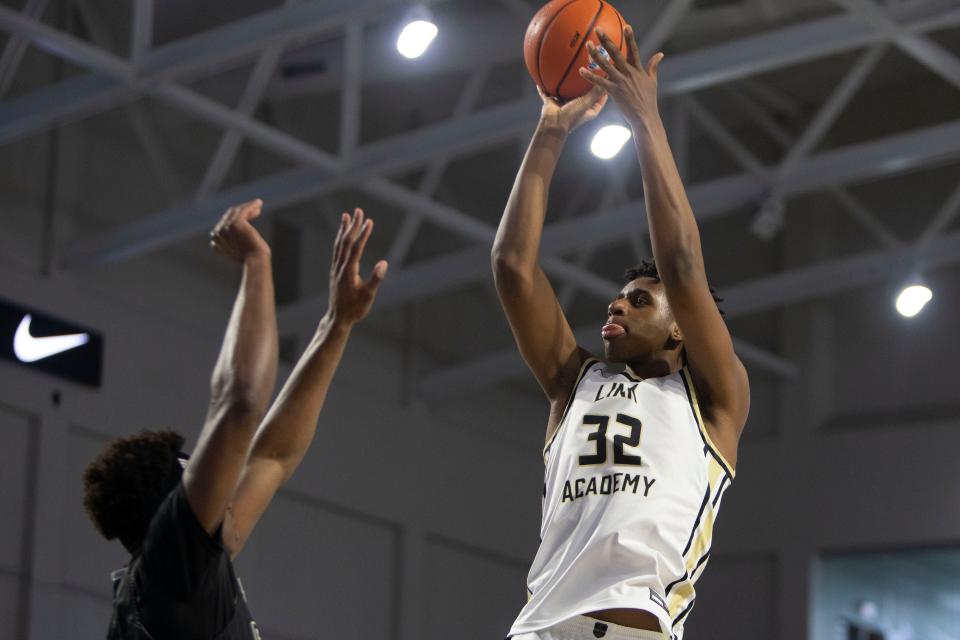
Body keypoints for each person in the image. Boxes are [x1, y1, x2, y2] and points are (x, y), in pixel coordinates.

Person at [492, 24, 750, 640]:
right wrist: (550, 133)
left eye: (639, 301)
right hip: (538, 629)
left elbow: (684, 266)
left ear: (681, 330)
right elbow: (512, 267)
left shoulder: (714, 399)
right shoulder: (573, 381)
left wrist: (644, 121)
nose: (618, 305)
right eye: (617, 297)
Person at [82, 201, 387, 639]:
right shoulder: (168, 572)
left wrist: (336, 325)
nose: (228, 486)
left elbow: (273, 457)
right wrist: (256, 263)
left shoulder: (184, 573)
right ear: (172, 509)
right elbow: (240, 400)